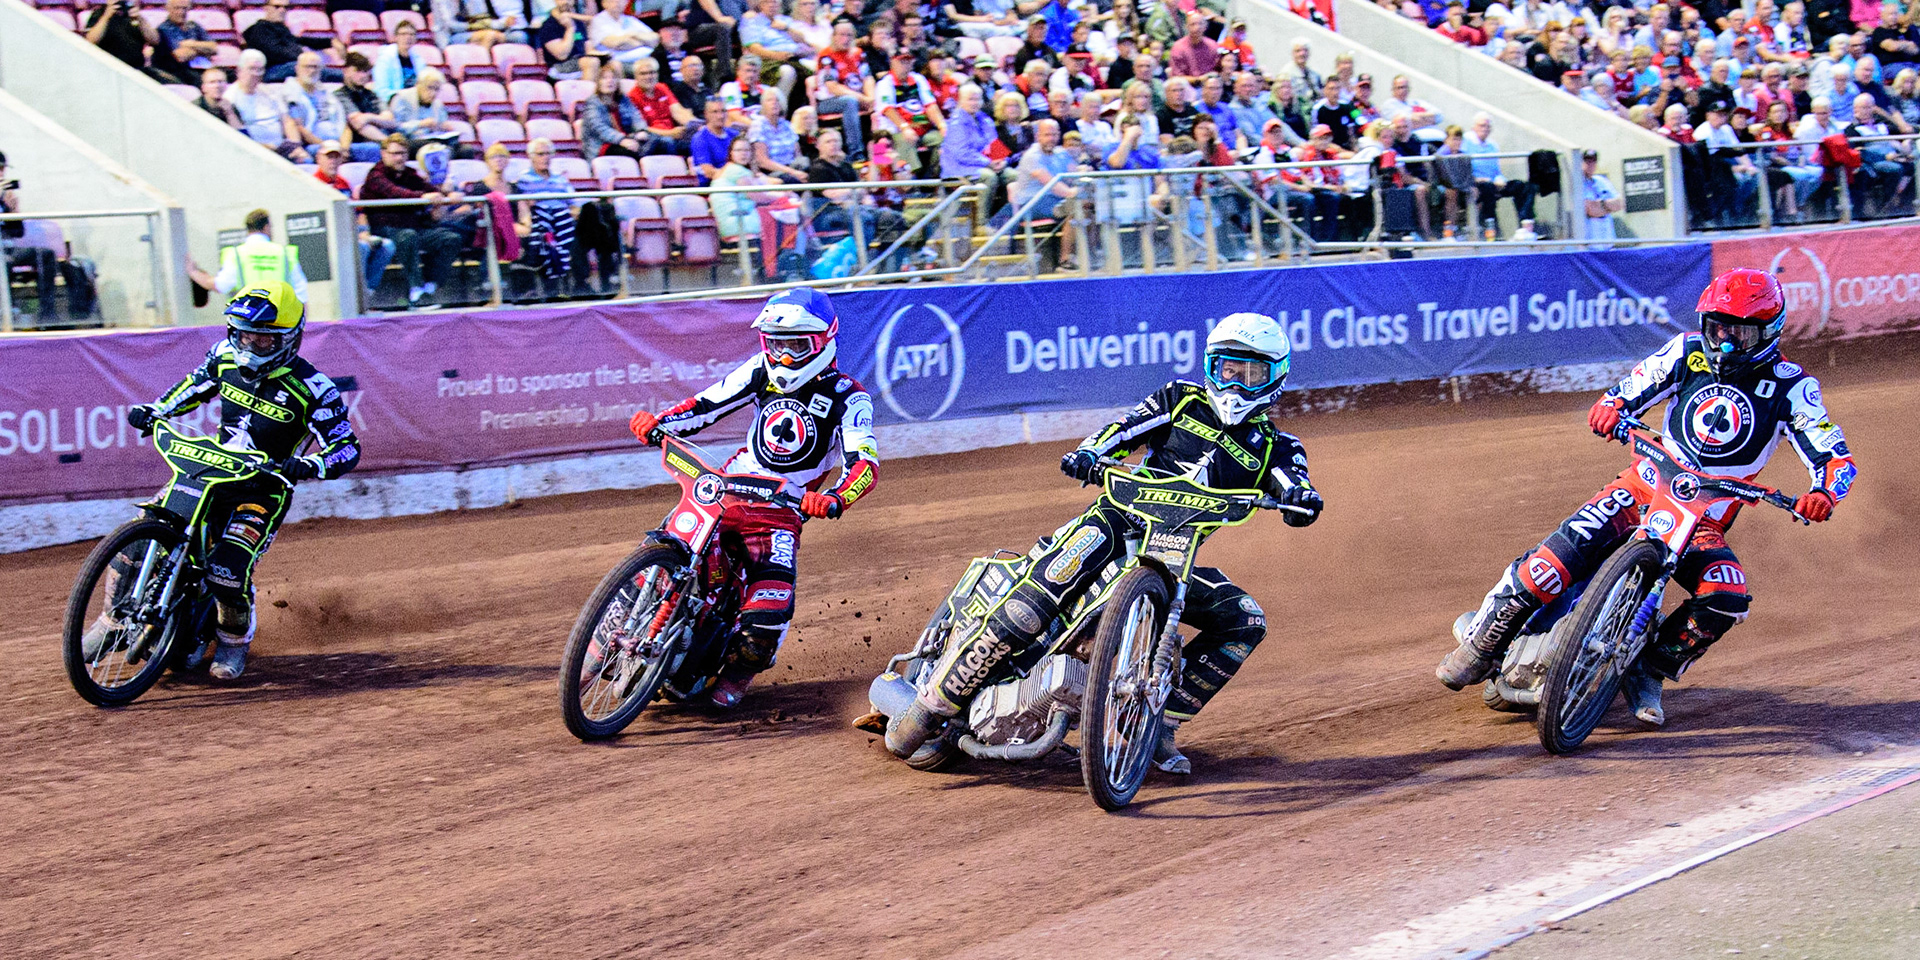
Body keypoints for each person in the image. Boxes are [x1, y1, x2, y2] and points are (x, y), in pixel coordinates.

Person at [883, 313, 1323, 773]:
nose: (1234, 383)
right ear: (1210, 366)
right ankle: (929, 706)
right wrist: (1090, 452)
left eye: (1250, 373)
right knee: (1036, 598)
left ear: (1275, 378)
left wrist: (1301, 499)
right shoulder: (1180, 399)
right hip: (1116, 521)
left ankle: (1159, 725)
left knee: (1245, 620)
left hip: (1173, 555)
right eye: (1226, 369)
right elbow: (1124, 428)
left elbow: (1295, 485)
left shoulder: (1277, 446)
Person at [1436, 269, 1858, 725]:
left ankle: (1649, 669)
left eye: (1739, 333)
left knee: (1727, 594)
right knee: (1548, 566)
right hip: (1641, 487)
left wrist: (1825, 493)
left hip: (1702, 521)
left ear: (1769, 332)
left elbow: (1836, 458)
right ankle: (1481, 645)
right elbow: (1627, 391)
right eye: (1717, 328)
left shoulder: (1793, 387)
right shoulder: (1685, 351)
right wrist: (1611, 408)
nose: (1725, 342)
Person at [626, 288, 880, 708]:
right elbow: (707, 404)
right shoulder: (760, 369)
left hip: (782, 511)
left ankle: (739, 673)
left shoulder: (849, 397)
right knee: (663, 547)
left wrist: (835, 498)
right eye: (776, 344)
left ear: (823, 341)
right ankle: (615, 626)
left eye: (796, 345)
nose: (784, 357)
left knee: (768, 612)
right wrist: (660, 423)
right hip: (727, 487)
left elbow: (864, 464)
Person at [118, 282, 361, 682]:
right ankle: (109, 621)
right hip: (211, 472)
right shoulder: (223, 355)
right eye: (244, 335)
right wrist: (156, 409)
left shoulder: (315, 389)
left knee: (226, 569)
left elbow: (346, 448)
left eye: (263, 339)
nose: (250, 345)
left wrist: (308, 465)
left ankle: (233, 641)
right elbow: (193, 386)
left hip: (263, 490)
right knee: (139, 535)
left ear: (290, 339)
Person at [360, 135, 466, 304]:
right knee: (407, 236)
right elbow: (394, 192)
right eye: (395, 153)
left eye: (403, 153)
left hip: (414, 229)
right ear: (383, 153)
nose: (399, 158)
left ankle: (431, 286)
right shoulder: (375, 176)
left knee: (451, 239)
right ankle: (415, 289)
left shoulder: (410, 174)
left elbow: (430, 189)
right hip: (385, 229)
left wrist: (448, 194)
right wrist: (423, 196)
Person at [312, 143, 396, 301]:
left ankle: (368, 291)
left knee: (386, 246)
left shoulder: (343, 183)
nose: (333, 162)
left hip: (352, 232)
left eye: (336, 157)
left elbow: (359, 211)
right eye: (329, 157)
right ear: (319, 159)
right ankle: (357, 295)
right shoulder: (313, 184)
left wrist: (364, 232)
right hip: (330, 235)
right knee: (362, 247)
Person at [226, 51, 313, 163]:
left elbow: (287, 121)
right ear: (239, 71)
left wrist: (295, 145)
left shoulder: (269, 92)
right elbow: (238, 133)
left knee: (306, 159)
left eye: (260, 70)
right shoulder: (230, 97)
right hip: (252, 149)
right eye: (252, 69)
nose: (256, 74)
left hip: (282, 149)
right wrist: (266, 147)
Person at [1463, 113, 1536, 233]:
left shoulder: (1492, 145)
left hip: (1493, 182)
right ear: (1474, 127)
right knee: (1487, 188)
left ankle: (1525, 225)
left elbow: (1496, 170)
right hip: (1477, 182)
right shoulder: (1466, 143)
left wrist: (1499, 179)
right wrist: (1478, 179)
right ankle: (1492, 228)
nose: (1485, 129)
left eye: (1488, 126)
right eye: (1482, 126)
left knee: (1523, 187)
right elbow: (1463, 169)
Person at [242, 0, 347, 82]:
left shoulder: (281, 29)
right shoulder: (259, 30)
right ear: (266, 8)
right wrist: (303, 58)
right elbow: (274, 52)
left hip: (289, 67)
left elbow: (299, 40)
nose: (282, 10)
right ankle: (345, 76)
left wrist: (330, 42)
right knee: (309, 66)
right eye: (277, 6)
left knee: (308, 66)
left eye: (285, 7)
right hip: (272, 71)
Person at [284, 51, 351, 152]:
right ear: (297, 69)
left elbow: (345, 127)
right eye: (307, 67)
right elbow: (300, 128)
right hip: (314, 146)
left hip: (338, 146)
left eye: (316, 67)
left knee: (372, 149)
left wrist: (344, 148)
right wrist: (329, 148)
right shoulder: (290, 93)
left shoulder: (327, 93)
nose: (312, 71)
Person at [85, 0, 162, 77]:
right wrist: (106, 17)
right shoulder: (99, 14)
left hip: (136, 69)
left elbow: (155, 40)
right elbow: (90, 41)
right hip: (109, 69)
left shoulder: (134, 16)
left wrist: (140, 19)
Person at [153, 0, 218, 85]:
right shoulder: (164, 29)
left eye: (184, 8)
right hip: (176, 72)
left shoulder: (194, 26)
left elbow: (214, 48)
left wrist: (191, 44)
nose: (181, 12)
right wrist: (203, 50)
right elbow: (181, 56)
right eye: (177, 8)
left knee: (228, 74)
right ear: (168, 9)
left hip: (201, 68)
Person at [372, 20, 436, 104]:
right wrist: (404, 97)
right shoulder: (385, 60)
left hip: (415, 103)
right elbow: (382, 91)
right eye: (403, 34)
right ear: (396, 37)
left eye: (411, 34)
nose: (408, 37)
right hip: (393, 102)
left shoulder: (419, 60)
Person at [588, 0, 658, 68]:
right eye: (612, 1)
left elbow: (655, 38)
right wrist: (643, 42)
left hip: (645, 60)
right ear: (604, 3)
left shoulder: (630, 19)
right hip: (619, 63)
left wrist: (633, 35)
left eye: (620, 1)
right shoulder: (598, 20)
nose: (617, 4)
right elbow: (613, 43)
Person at [1577, 149, 1623, 243]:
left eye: (1593, 161)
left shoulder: (1601, 181)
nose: (1590, 165)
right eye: (1587, 161)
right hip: (1590, 239)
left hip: (1607, 237)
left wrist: (1600, 205)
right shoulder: (1578, 183)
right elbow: (1591, 210)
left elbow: (1620, 203)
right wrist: (1609, 206)